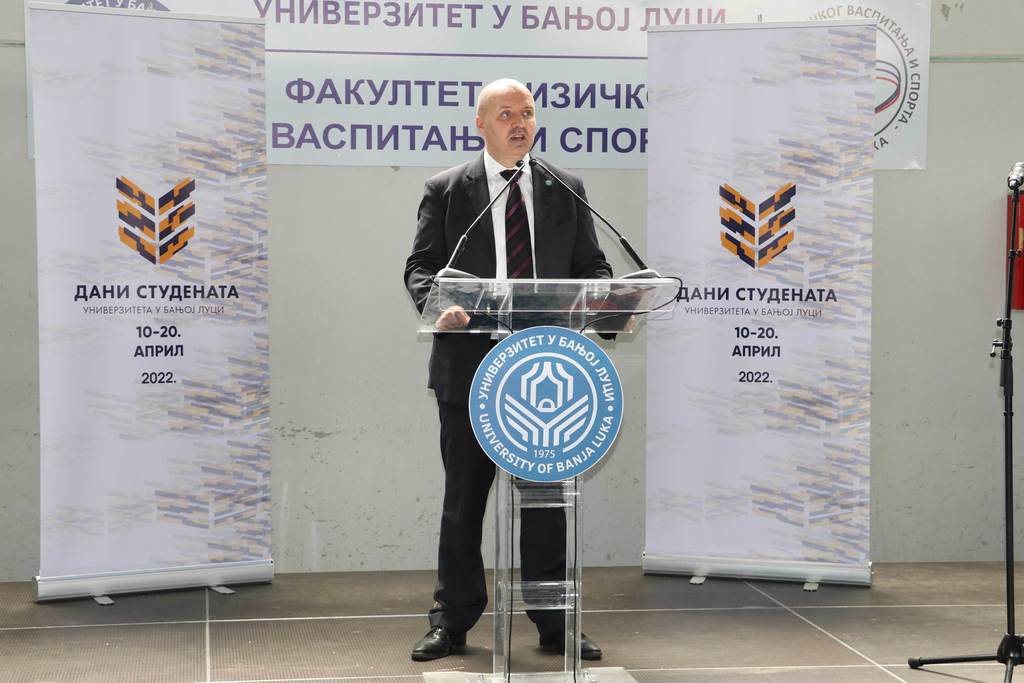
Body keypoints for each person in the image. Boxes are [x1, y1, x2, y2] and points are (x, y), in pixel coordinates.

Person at [404, 78, 609, 662]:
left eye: (527, 113)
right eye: (505, 114)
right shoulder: (447, 190)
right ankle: (452, 621)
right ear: (480, 124)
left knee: (546, 506)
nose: (520, 124)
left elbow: (592, 266)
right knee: (463, 503)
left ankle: (554, 622)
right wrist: (439, 306)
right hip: (471, 367)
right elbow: (421, 267)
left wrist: (600, 297)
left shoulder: (565, 188)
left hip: (544, 369)